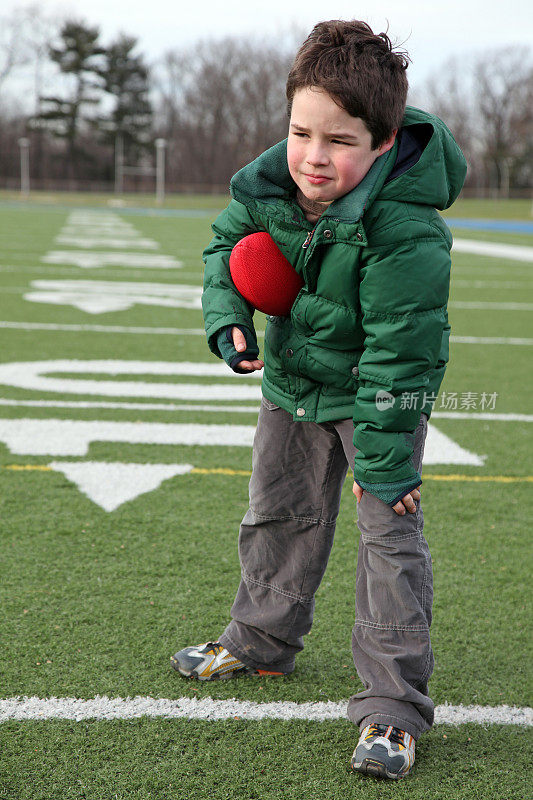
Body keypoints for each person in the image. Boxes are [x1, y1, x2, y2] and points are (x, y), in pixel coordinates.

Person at [171, 19, 466, 780]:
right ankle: (260, 642)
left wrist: (384, 459)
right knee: (276, 511)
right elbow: (223, 250)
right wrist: (228, 319)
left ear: (381, 139)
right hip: (291, 385)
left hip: (373, 399)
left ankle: (391, 708)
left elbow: (403, 350)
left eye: (338, 140)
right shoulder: (272, 183)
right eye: (302, 131)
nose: (313, 155)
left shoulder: (404, 229)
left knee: (387, 539)